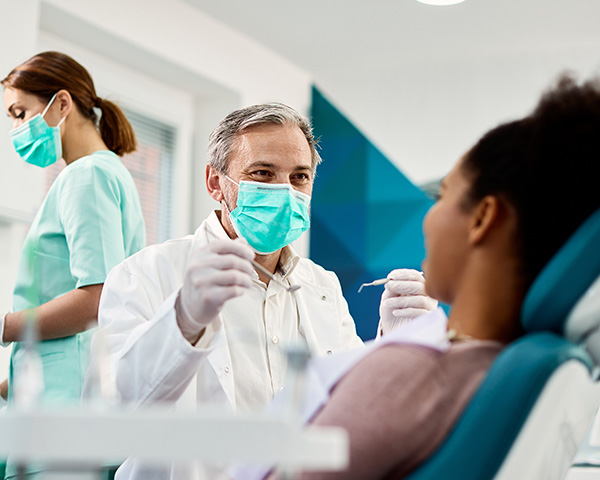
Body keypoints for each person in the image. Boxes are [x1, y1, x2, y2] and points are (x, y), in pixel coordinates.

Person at [244, 74, 600, 480]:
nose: (428, 217)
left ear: (483, 218)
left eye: (443, 195)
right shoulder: (506, 371)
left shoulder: (408, 374)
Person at [92, 102, 433, 480]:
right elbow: (113, 417)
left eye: (300, 177)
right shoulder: (147, 273)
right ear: (215, 183)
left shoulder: (323, 286)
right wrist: (183, 321)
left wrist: (394, 346)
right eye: (262, 173)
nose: (284, 191)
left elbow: (350, 414)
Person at [1, 50, 146, 478]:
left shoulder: (87, 176)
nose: (15, 129)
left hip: (65, 427)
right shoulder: (106, 174)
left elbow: (98, 300)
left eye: (19, 112)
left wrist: (4, 327)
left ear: (61, 103)